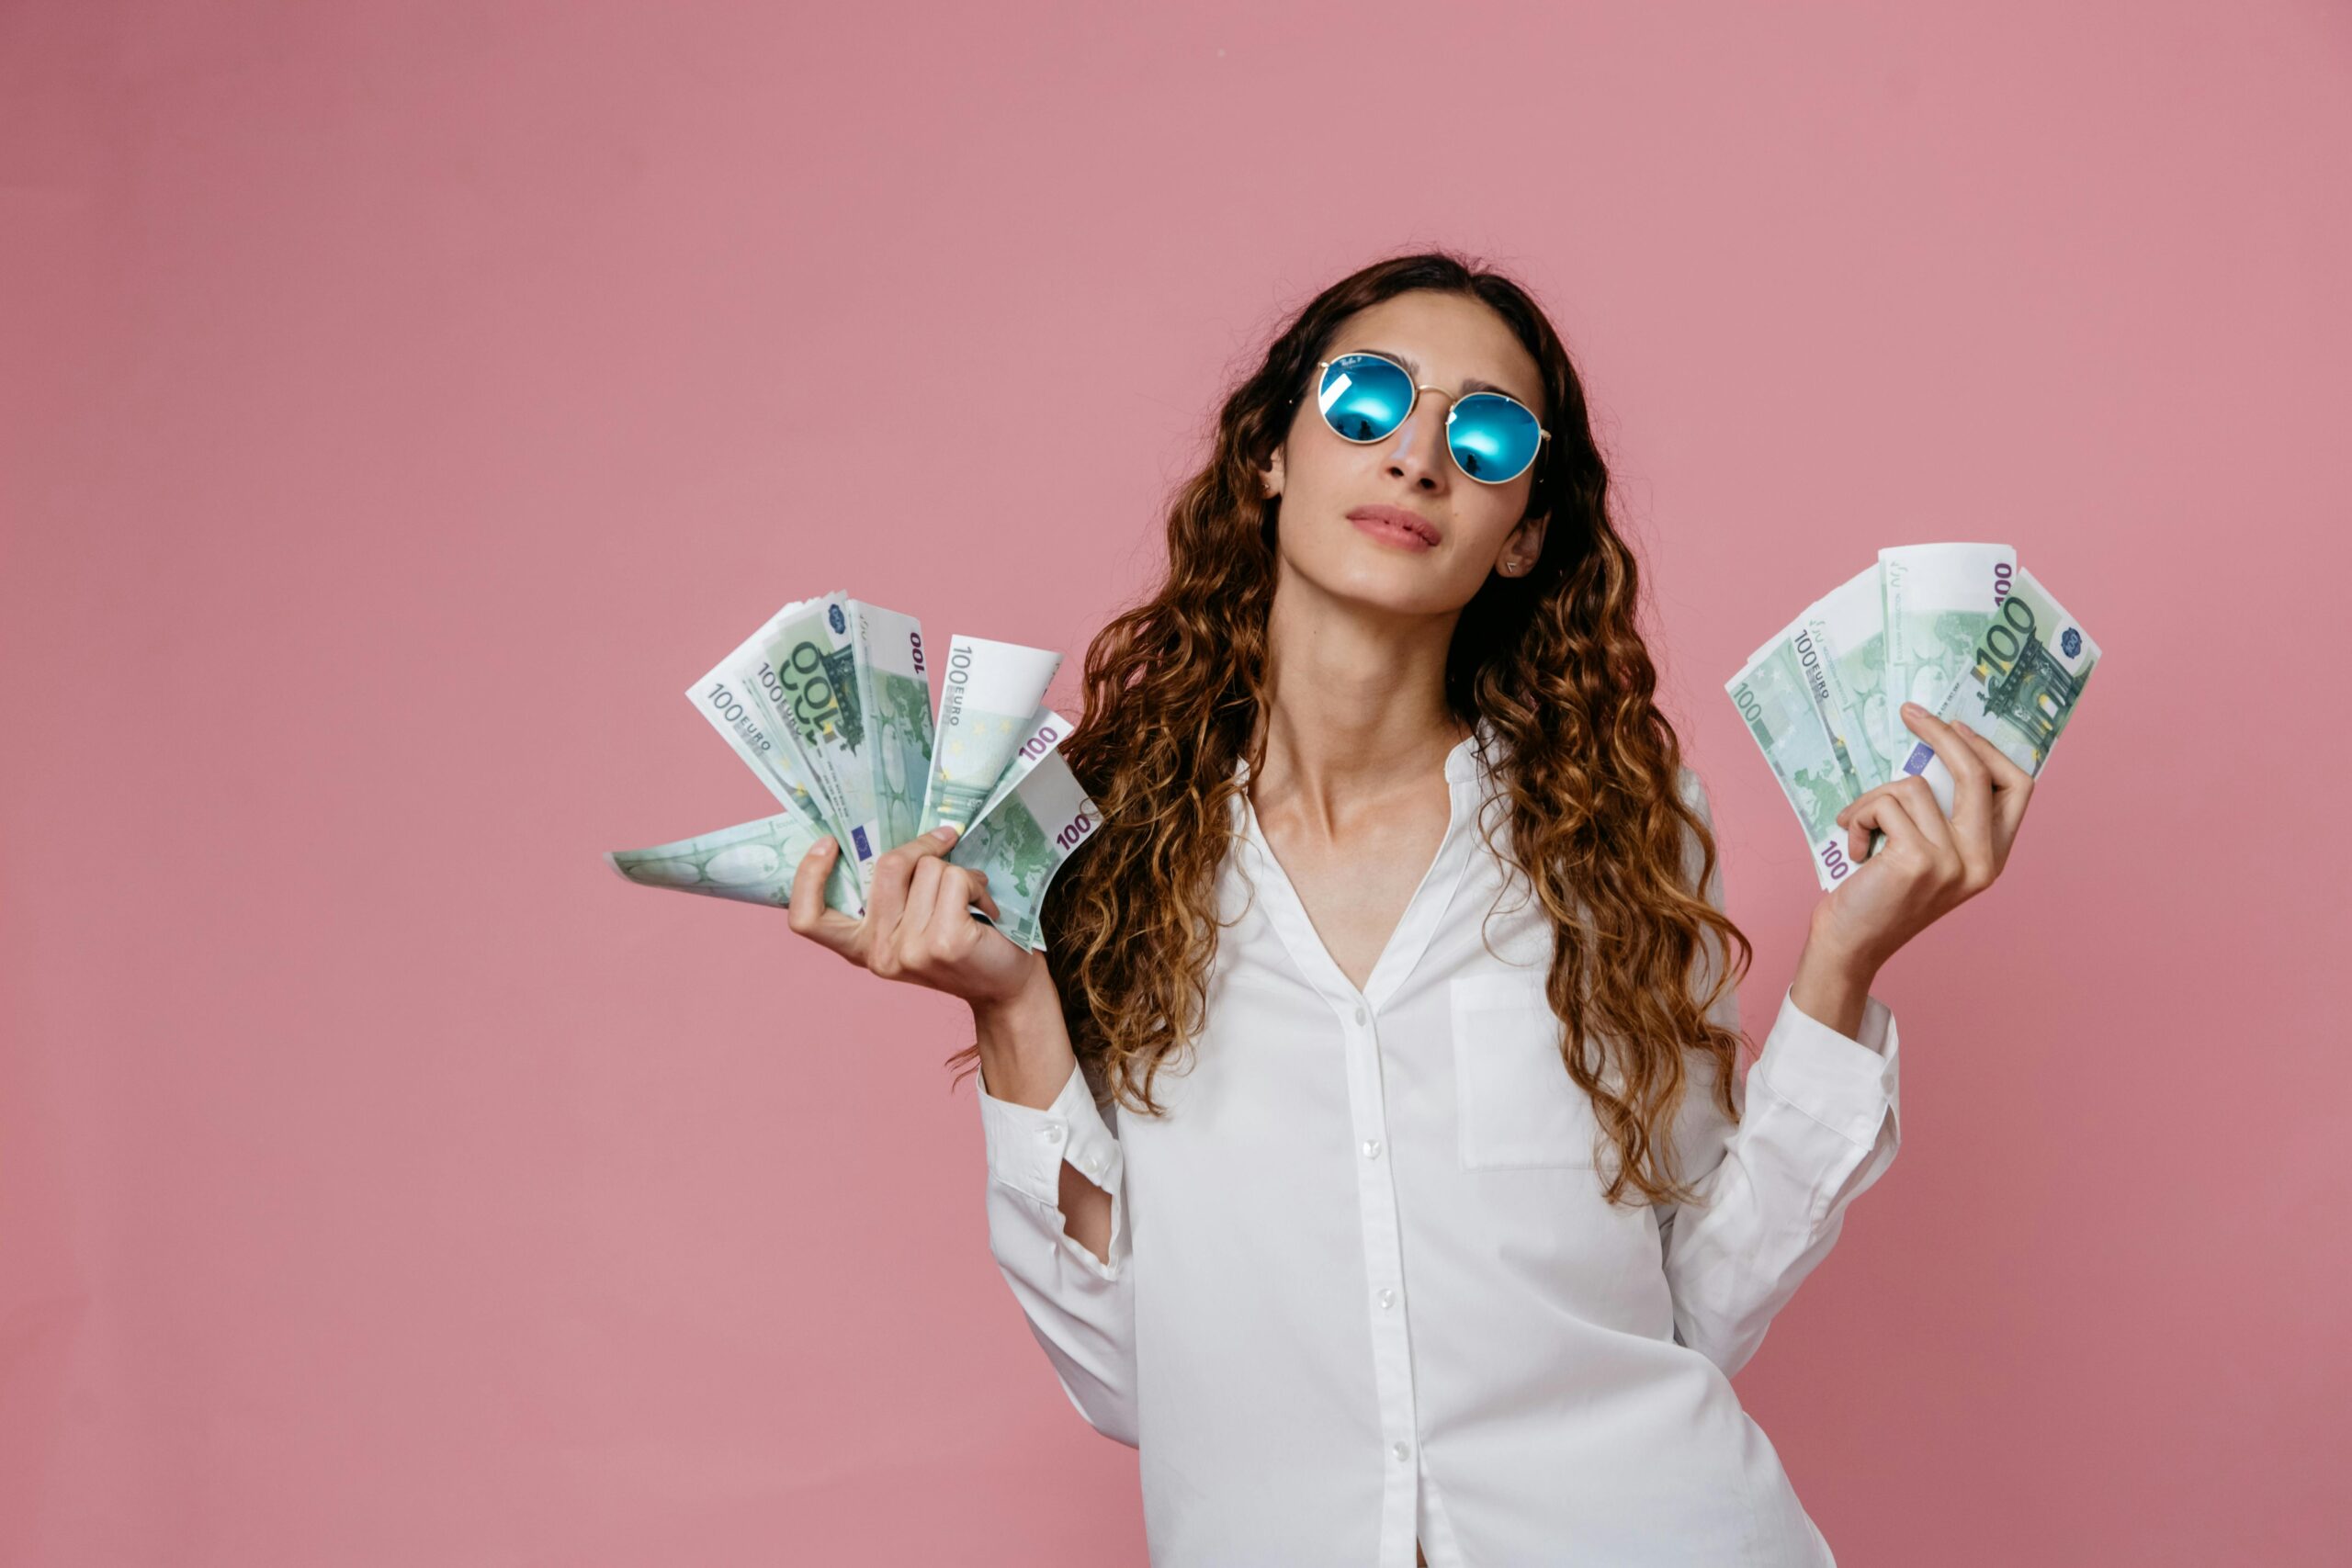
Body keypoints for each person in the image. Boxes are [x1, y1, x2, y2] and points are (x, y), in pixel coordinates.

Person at [782, 252, 2034, 1567]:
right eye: (1368, 400)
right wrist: (1012, 1004)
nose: (1420, 457)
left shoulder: (1614, 828)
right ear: (1271, 453)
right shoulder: (1105, 843)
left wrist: (1844, 966)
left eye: (1487, 435)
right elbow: (1134, 1384)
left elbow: (1700, 1305)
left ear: (1528, 533)